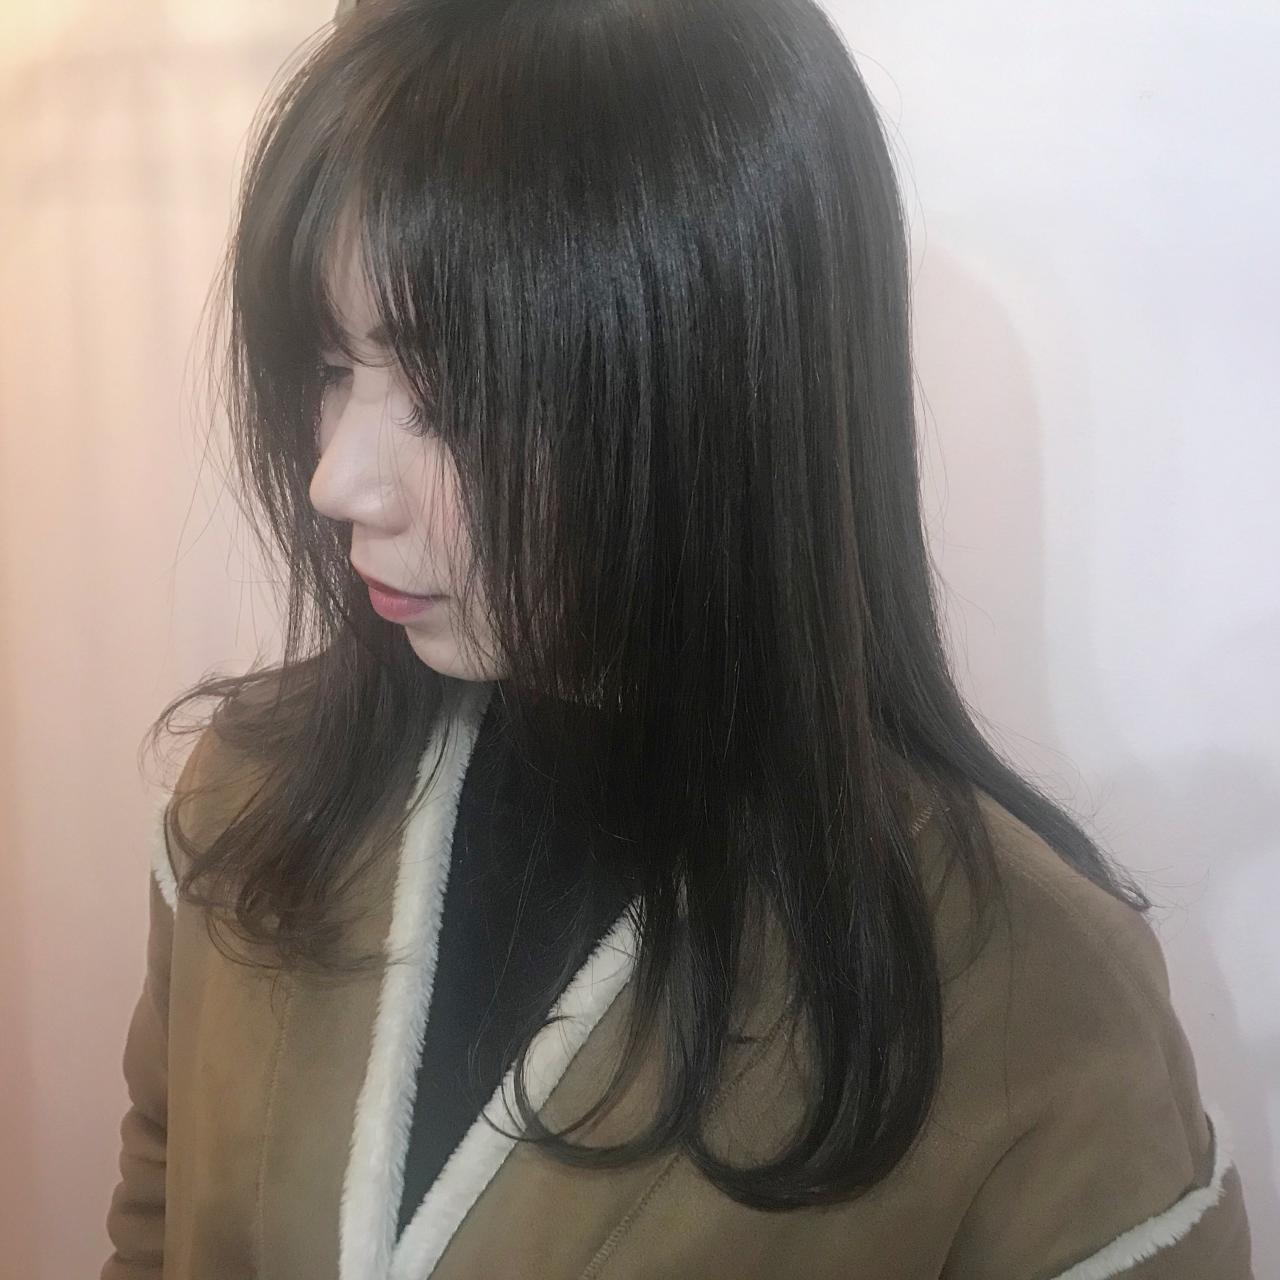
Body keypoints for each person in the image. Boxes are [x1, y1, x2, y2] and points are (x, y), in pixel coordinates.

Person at [101, 0, 1255, 1276]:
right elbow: (156, 1225)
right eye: (331, 366)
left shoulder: (1034, 1007)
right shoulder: (253, 803)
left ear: (714, 386)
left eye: (449, 393)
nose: (334, 480)